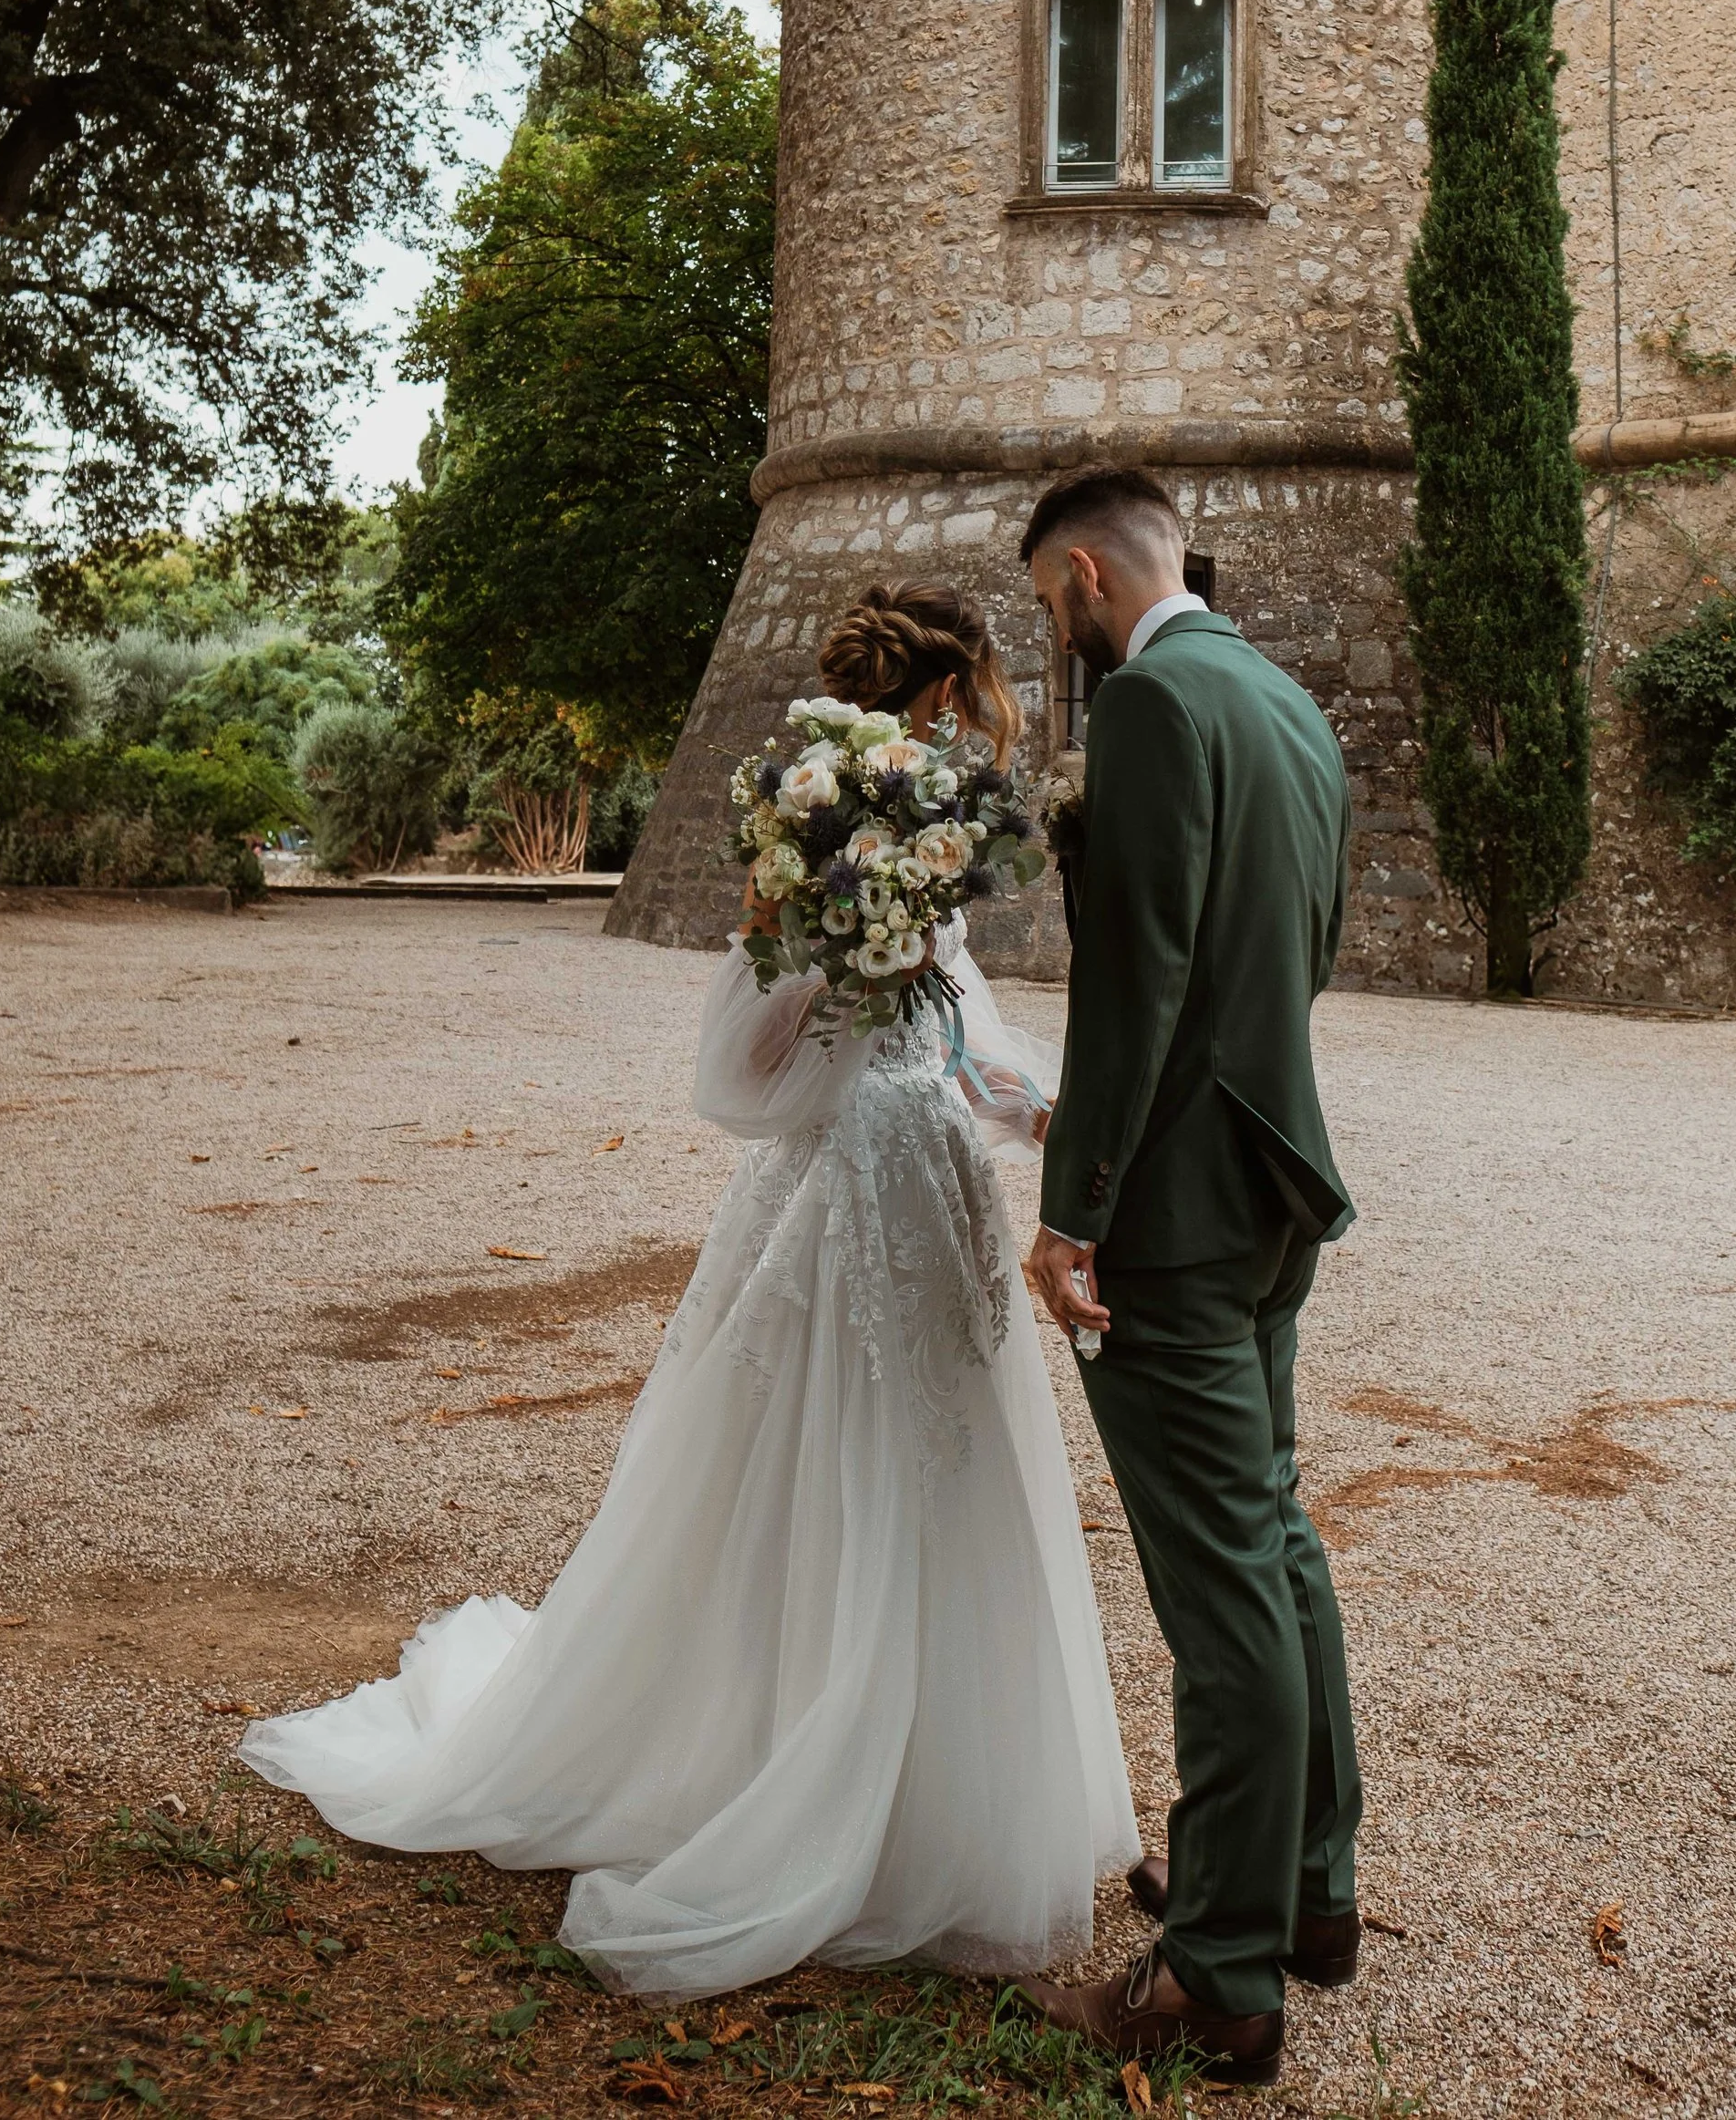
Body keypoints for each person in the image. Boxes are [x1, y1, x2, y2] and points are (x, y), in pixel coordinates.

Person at [240, 583, 1137, 1996]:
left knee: (942, 1459)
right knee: (836, 1455)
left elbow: (957, 1022)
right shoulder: (825, 822)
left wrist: (1052, 1120)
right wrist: (852, 957)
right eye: (986, 692)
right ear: (951, 696)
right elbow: (753, 1061)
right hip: (852, 1183)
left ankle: (930, 1800)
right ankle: (801, 1779)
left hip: (935, 1175)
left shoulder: (923, 817)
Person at [1015, 466, 1364, 2089]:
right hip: (1275, 1171)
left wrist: (1074, 1211)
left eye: (1045, 604)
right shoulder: (1286, 703)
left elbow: (1135, 982)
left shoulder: (1154, 703)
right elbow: (1308, 945)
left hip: (1172, 1205)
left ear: (1087, 572)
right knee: (1274, 1534)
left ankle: (1221, 1975)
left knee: (1221, 1585)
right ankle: (1302, 1889)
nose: (1053, 632)